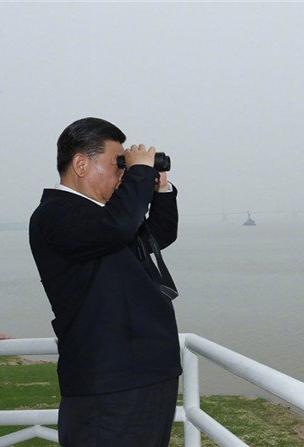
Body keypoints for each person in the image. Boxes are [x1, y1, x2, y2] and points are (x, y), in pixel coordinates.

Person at [29, 117, 182, 447]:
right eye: (118, 164)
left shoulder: (106, 219)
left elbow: (159, 235)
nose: (123, 174)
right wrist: (139, 173)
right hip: (109, 384)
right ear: (81, 164)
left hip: (147, 375)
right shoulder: (55, 213)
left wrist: (160, 188)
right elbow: (120, 226)